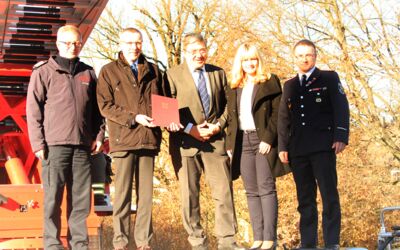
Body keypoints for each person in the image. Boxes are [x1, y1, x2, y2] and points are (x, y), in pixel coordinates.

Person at [96, 27, 175, 250]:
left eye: (138, 42)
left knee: (146, 197)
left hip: (149, 139)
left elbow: (165, 100)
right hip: (123, 140)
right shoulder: (108, 71)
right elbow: (105, 106)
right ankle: (120, 243)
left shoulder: (154, 70)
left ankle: (144, 243)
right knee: (121, 196)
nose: (134, 47)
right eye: (129, 43)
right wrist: (134, 118)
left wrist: (168, 119)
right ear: (121, 44)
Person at [164, 33, 244, 250]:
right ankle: (197, 243)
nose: (199, 55)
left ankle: (227, 241)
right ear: (185, 52)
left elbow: (230, 106)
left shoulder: (218, 73)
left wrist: (218, 125)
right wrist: (191, 130)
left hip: (215, 141)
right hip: (185, 143)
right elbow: (167, 109)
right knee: (189, 197)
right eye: (194, 51)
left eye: (202, 50)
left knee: (223, 193)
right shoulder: (171, 75)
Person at [26, 24, 103, 249]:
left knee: (80, 202)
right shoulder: (43, 72)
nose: (72, 47)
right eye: (67, 43)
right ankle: (52, 245)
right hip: (53, 147)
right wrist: (38, 144)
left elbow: (97, 111)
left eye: (76, 43)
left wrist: (99, 135)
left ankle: (79, 244)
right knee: (52, 200)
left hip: (82, 147)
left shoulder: (88, 72)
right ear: (58, 44)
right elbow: (33, 111)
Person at [278, 39, 350, 250]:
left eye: (308, 54)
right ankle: (308, 243)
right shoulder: (289, 85)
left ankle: (331, 242)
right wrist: (283, 146)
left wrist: (341, 135)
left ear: (315, 56)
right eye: (300, 55)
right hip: (298, 149)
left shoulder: (328, 78)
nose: (304, 59)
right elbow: (283, 118)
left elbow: (341, 107)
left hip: (323, 147)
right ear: (295, 57)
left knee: (329, 195)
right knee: (305, 199)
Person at [226, 43, 289, 250]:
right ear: (240, 62)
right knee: (250, 191)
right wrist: (230, 144)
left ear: (258, 59)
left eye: (253, 58)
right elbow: (232, 119)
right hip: (242, 142)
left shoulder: (270, 81)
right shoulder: (234, 85)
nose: (250, 63)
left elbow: (278, 114)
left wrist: (268, 139)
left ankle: (270, 239)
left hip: (263, 141)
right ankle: (258, 238)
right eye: (245, 60)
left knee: (266, 188)